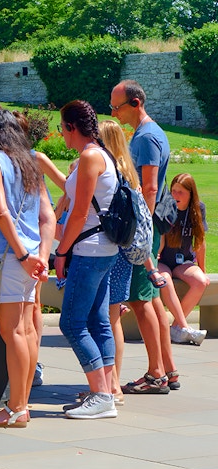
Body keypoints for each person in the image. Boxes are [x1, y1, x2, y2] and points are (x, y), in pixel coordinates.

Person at [0, 110, 55, 428]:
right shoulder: (29, 163)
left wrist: (22, 256)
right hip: (29, 257)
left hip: (9, 256)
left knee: (13, 332)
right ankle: (19, 405)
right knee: (26, 330)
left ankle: (15, 408)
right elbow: (47, 217)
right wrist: (40, 257)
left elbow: (1, 211)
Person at [110, 80, 178, 394]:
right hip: (146, 229)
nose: (113, 112)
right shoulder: (148, 134)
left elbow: (150, 187)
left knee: (140, 301)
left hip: (141, 230)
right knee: (150, 299)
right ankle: (168, 369)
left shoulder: (148, 136)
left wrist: (140, 227)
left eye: (117, 106)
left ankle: (156, 374)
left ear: (135, 103)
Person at [54, 100, 119, 420]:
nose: (61, 135)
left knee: (72, 323)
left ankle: (102, 394)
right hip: (104, 248)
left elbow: (79, 214)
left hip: (89, 250)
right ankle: (107, 389)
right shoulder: (102, 154)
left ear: (71, 127)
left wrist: (61, 251)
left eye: (61, 128)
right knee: (97, 320)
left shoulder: (90, 157)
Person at [12, 109, 67, 388]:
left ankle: (32, 365)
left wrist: (60, 209)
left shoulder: (34, 158)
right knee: (29, 306)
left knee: (32, 305)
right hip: (28, 241)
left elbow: (70, 186)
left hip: (30, 242)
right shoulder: (7, 161)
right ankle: (28, 365)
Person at [97, 119, 139, 405]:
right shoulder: (128, 172)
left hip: (110, 249)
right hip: (125, 251)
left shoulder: (109, 171)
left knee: (107, 318)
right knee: (113, 318)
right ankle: (113, 384)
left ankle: (111, 386)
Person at [158, 173, 209, 346]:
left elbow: (200, 241)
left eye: (181, 192)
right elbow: (159, 238)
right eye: (173, 191)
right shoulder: (165, 208)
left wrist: (202, 268)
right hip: (162, 260)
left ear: (190, 194)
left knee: (201, 282)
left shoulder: (198, 209)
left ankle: (175, 328)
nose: (176, 196)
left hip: (184, 261)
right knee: (165, 280)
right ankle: (184, 328)